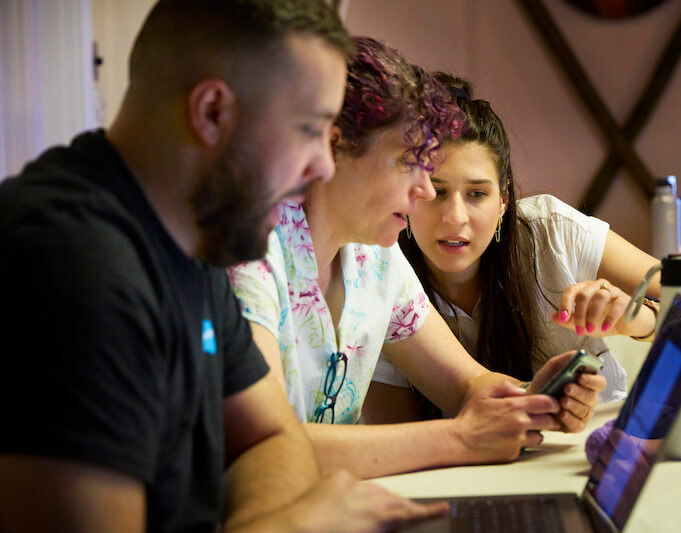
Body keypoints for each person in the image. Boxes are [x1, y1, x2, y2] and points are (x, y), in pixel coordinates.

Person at [0, 1, 450, 531]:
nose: (324, 166)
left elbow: (269, 435)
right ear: (212, 112)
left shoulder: (197, 242)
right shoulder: (71, 266)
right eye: (309, 131)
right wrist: (294, 527)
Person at [227, 37, 606, 480]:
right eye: (409, 161)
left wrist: (529, 401)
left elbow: (466, 384)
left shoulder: (375, 259)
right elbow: (263, 442)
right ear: (334, 148)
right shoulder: (247, 251)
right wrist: (462, 437)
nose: (425, 191)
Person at [365, 74, 681, 420]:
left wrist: (638, 319)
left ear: (504, 200)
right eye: (437, 191)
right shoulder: (382, 271)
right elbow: (394, 433)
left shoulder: (553, 233)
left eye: (477, 193)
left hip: (595, 449)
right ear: (410, 190)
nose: (455, 217)